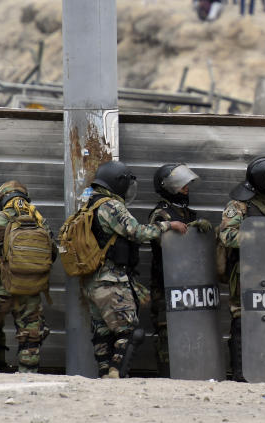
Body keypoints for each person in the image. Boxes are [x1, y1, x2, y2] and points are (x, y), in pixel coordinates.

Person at [81, 160, 187, 378]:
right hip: (112, 279)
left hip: (93, 280)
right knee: (129, 331)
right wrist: (168, 225)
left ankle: (104, 375)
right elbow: (136, 231)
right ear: (118, 183)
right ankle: (116, 375)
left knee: (102, 331)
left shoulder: (89, 203)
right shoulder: (111, 205)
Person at [217, 156, 265, 381]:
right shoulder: (238, 205)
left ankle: (263, 369)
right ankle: (241, 373)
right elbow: (227, 236)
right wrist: (259, 234)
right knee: (242, 318)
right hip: (244, 272)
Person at [0, 181, 56, 374]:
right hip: (30, 288)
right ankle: (27, 375)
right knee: (30, 335)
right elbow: (52, 253)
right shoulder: (38, 219)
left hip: (1, 287)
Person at [146, 164, 210, 376]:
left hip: (189, 283)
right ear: (169, 187)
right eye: (181, 185)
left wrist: (204, 231)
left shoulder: (187, 213)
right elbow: (158, 237)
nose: (186, 188)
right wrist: (189, 228)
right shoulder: (161, 214)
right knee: (167, 331)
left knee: (192, 328)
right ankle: (168, 374)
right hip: (166, 284)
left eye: (187, 185)